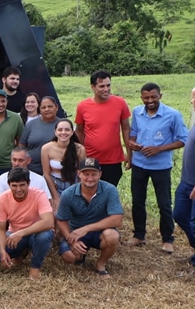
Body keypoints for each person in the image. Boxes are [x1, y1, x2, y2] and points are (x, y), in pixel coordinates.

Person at [128, 82, 186, 250]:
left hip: (161, 166)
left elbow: (183, 139)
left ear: (160, 96)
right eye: (146, 97)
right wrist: (133, 144)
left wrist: (159, 148)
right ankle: (139, 235)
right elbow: (133, 134)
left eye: (153, 97)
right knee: (138, 201)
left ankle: (167, 239)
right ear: (142, 98)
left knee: (164, 203)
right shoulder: (137, 112)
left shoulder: (173, 115)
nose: (150, 100)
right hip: (139, 164)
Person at [56, 158, 123, 277]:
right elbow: (61, 220)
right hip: (77, 232)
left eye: (94, 174)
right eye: (86, 174)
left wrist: (86, 228)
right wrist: (70, 239)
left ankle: (101, 264)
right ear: (79, 174)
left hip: (100, 232)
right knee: (69, 257)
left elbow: (117, 219)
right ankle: (81, 255)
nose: (90, 178)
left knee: (113, 236)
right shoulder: (68, 194)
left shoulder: (110, 190)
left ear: (100, 174)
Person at [0, 167, 54, 279]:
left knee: (44, 235)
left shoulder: (39, 194)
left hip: (34, 233)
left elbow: (49, 222)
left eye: (22, 185)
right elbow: (0, 229)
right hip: (15, 233)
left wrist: (21, 233)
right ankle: (20, 253)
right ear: (9, 185)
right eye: (14, 185)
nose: (18, 189)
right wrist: (2, 251)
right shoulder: (2, 198)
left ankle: (35, 266)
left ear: (29, 183)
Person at [0, 148, 53, 246]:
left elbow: (48, 202)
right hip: (10, 211)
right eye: (14, 160)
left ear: (28, 161)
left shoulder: (39, 179)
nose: (16, 163)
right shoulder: (3, 177)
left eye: (20, 160)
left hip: (32, 214)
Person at [74, 70, 131, 187]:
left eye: (108, 85)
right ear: (93, 87)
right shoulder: (83, 106)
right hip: (90, 158)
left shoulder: (120, 103)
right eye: (102, 86)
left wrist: (130, 154)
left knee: (109, 191)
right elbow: (79, 132)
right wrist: (76, 156)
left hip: (113, 159)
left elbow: (126, 128)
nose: (106, 89)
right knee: (89, 190)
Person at [41, 118, 86, 211]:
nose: (63, 132)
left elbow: (82, 173)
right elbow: (46, 174)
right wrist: (55, 197)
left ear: (72, 132)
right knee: (55, 211)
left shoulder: (80, 149)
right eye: (60, 130)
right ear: (55, 132)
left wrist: (77, 191)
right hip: (53, 184)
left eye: (67, 130)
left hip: (73, 183)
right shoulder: (46, 148)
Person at [173, 87, 195, 264]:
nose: (192, 101)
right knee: (180, 215)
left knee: (194, 223)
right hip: (186, 181)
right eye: (192, 97)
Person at [19, 95, 59, 174]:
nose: (47, 109)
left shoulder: (62, 125)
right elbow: (22, 145)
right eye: (43, 107)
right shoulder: (31, 124)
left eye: (50, 106)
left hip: (55, 171)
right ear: (39, 109)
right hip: (32, 169)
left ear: (56, 107)